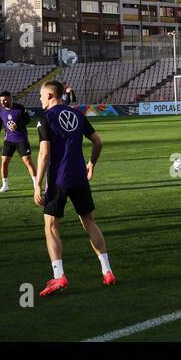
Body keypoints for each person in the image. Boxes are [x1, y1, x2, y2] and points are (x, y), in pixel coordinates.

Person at [32, 80, 116, 295]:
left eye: (41, 95)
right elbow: (98, 142)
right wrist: (91, 164)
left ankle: (58, 276)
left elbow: (44, 153)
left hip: (58, 179)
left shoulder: (45, 118)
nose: (39, 99)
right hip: (79, 177)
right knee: (89, 221)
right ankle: (107, 271)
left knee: (51, 226)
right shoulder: (77, 114)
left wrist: (37, 183)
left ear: (51, 95)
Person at [0, 90, 37, 193]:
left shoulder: (20, 108)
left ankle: (36, 183)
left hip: (21, 139)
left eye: (5, 100)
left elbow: (28, 120)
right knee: (4, 162)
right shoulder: (0, 111)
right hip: (8, 140)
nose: (3, 102)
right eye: (1, 100)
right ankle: (5, 185)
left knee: (28, 162)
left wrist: (18, 125)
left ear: (10, 98)